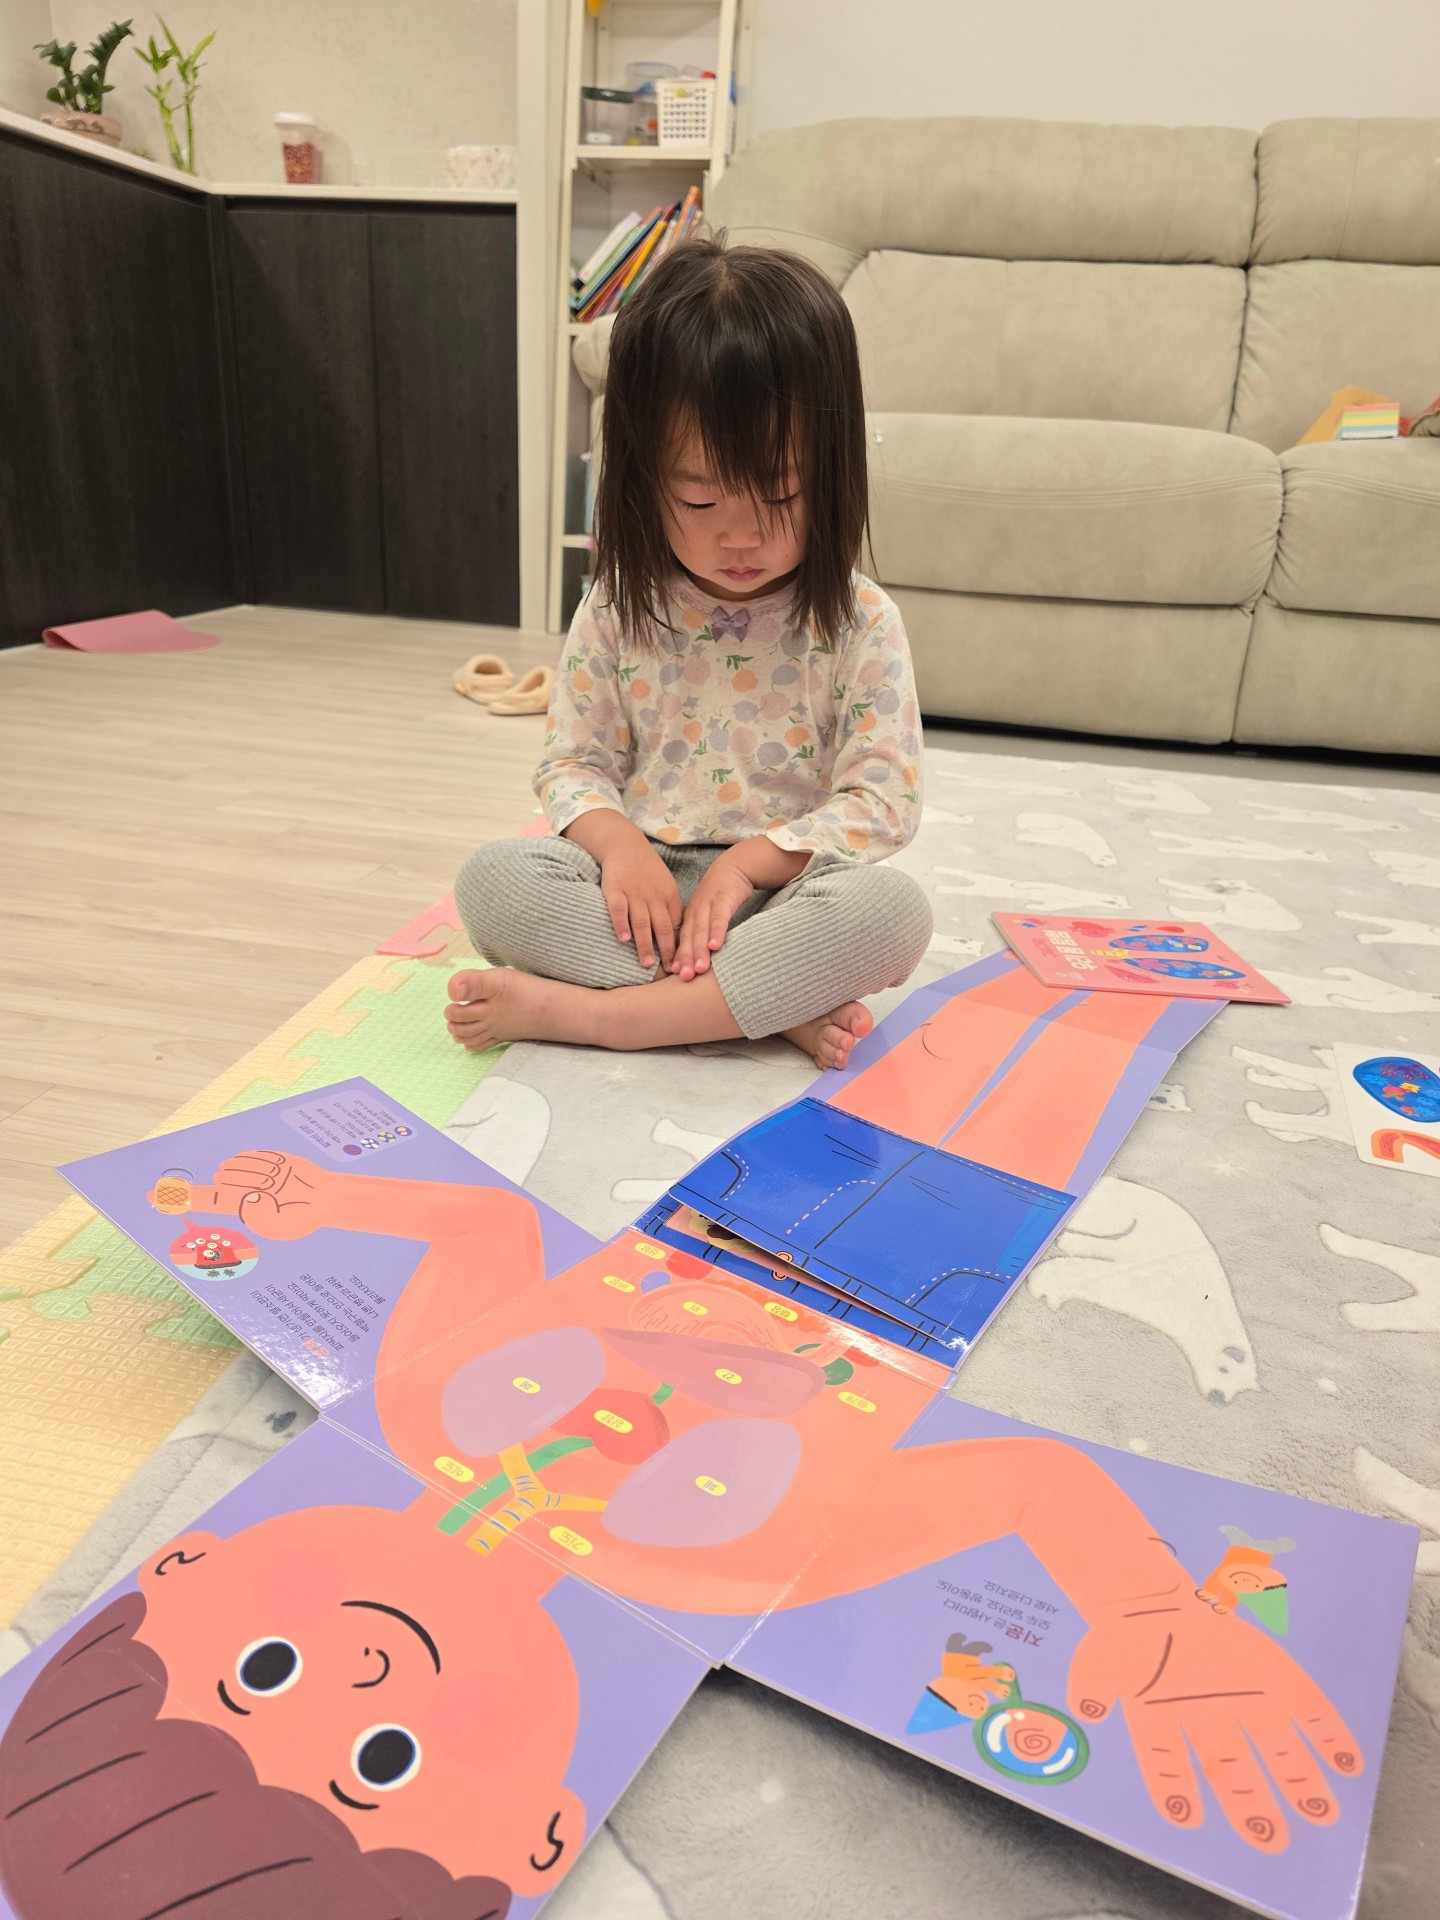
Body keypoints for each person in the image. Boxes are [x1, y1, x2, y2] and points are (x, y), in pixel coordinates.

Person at [448, 239, 932, 1071]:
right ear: (643, 477)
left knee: (894, 913)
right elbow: (573, 764)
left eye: (779, 492)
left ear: (831, 472)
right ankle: (764, 1008)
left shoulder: (862, 621)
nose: (740, 536)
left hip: (783, 894)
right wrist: (621, 849)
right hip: (647, 899)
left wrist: (750, 865)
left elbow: (883, 800)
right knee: (491, 880)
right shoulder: (617, 605)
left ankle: (598, 1017)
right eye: (699, 498)